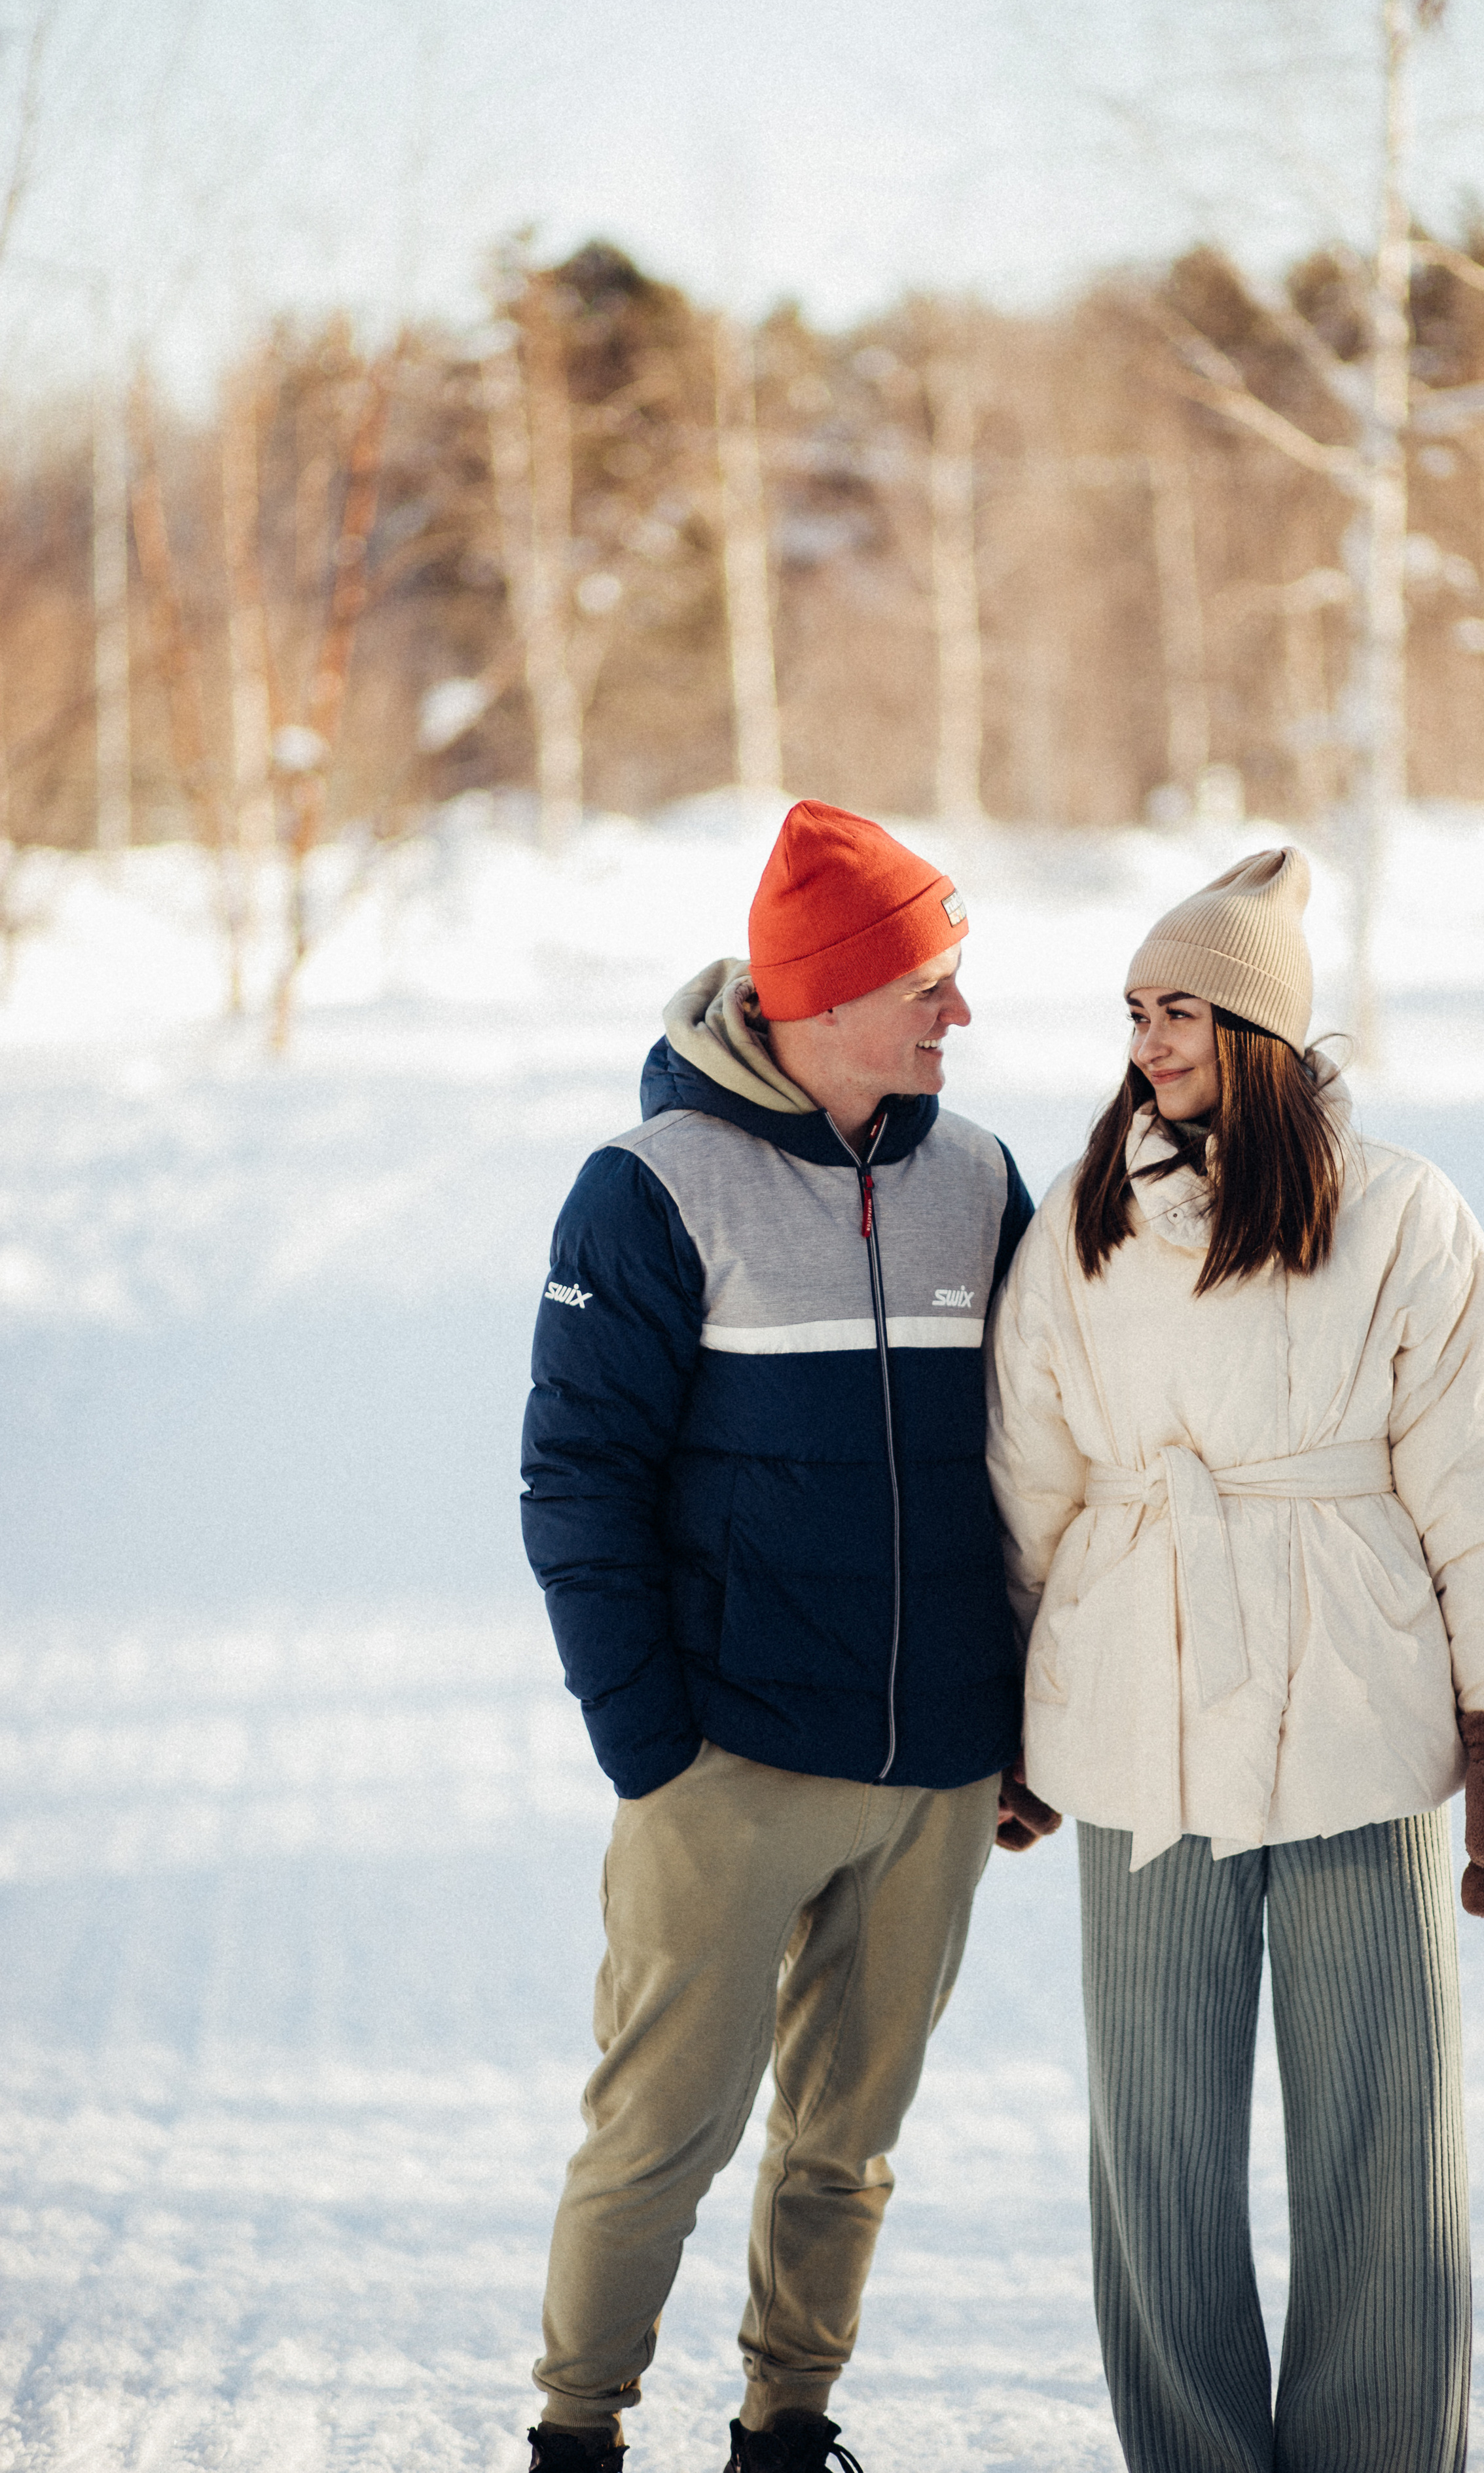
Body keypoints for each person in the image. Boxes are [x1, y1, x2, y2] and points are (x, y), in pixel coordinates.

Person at [985, 847, 1484, 2473]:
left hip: (1355, 1714)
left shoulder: (1397, 1215)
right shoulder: (1083, 1221)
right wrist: (1009, 1714)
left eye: (1176, 1009)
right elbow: (1025, 1471)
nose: (1145, 1040)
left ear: (1255, 1027)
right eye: (1131, 1010)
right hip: (1133, 1704)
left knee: (1381, 2139)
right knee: (1155, 2150)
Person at [520, 799, 1058, 2473]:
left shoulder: (976, 1177)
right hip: (731, 1759)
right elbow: (576, 1478)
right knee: (656, 2138)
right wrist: (652, 1749)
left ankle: (784, 2429)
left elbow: (1038, 1461)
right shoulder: (650, 1189)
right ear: (826, 996)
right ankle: (578, 2435)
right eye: (932, 986)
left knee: (848, 2146)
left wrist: (1015, 1726)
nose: (958, 1016)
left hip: (935, 1769)